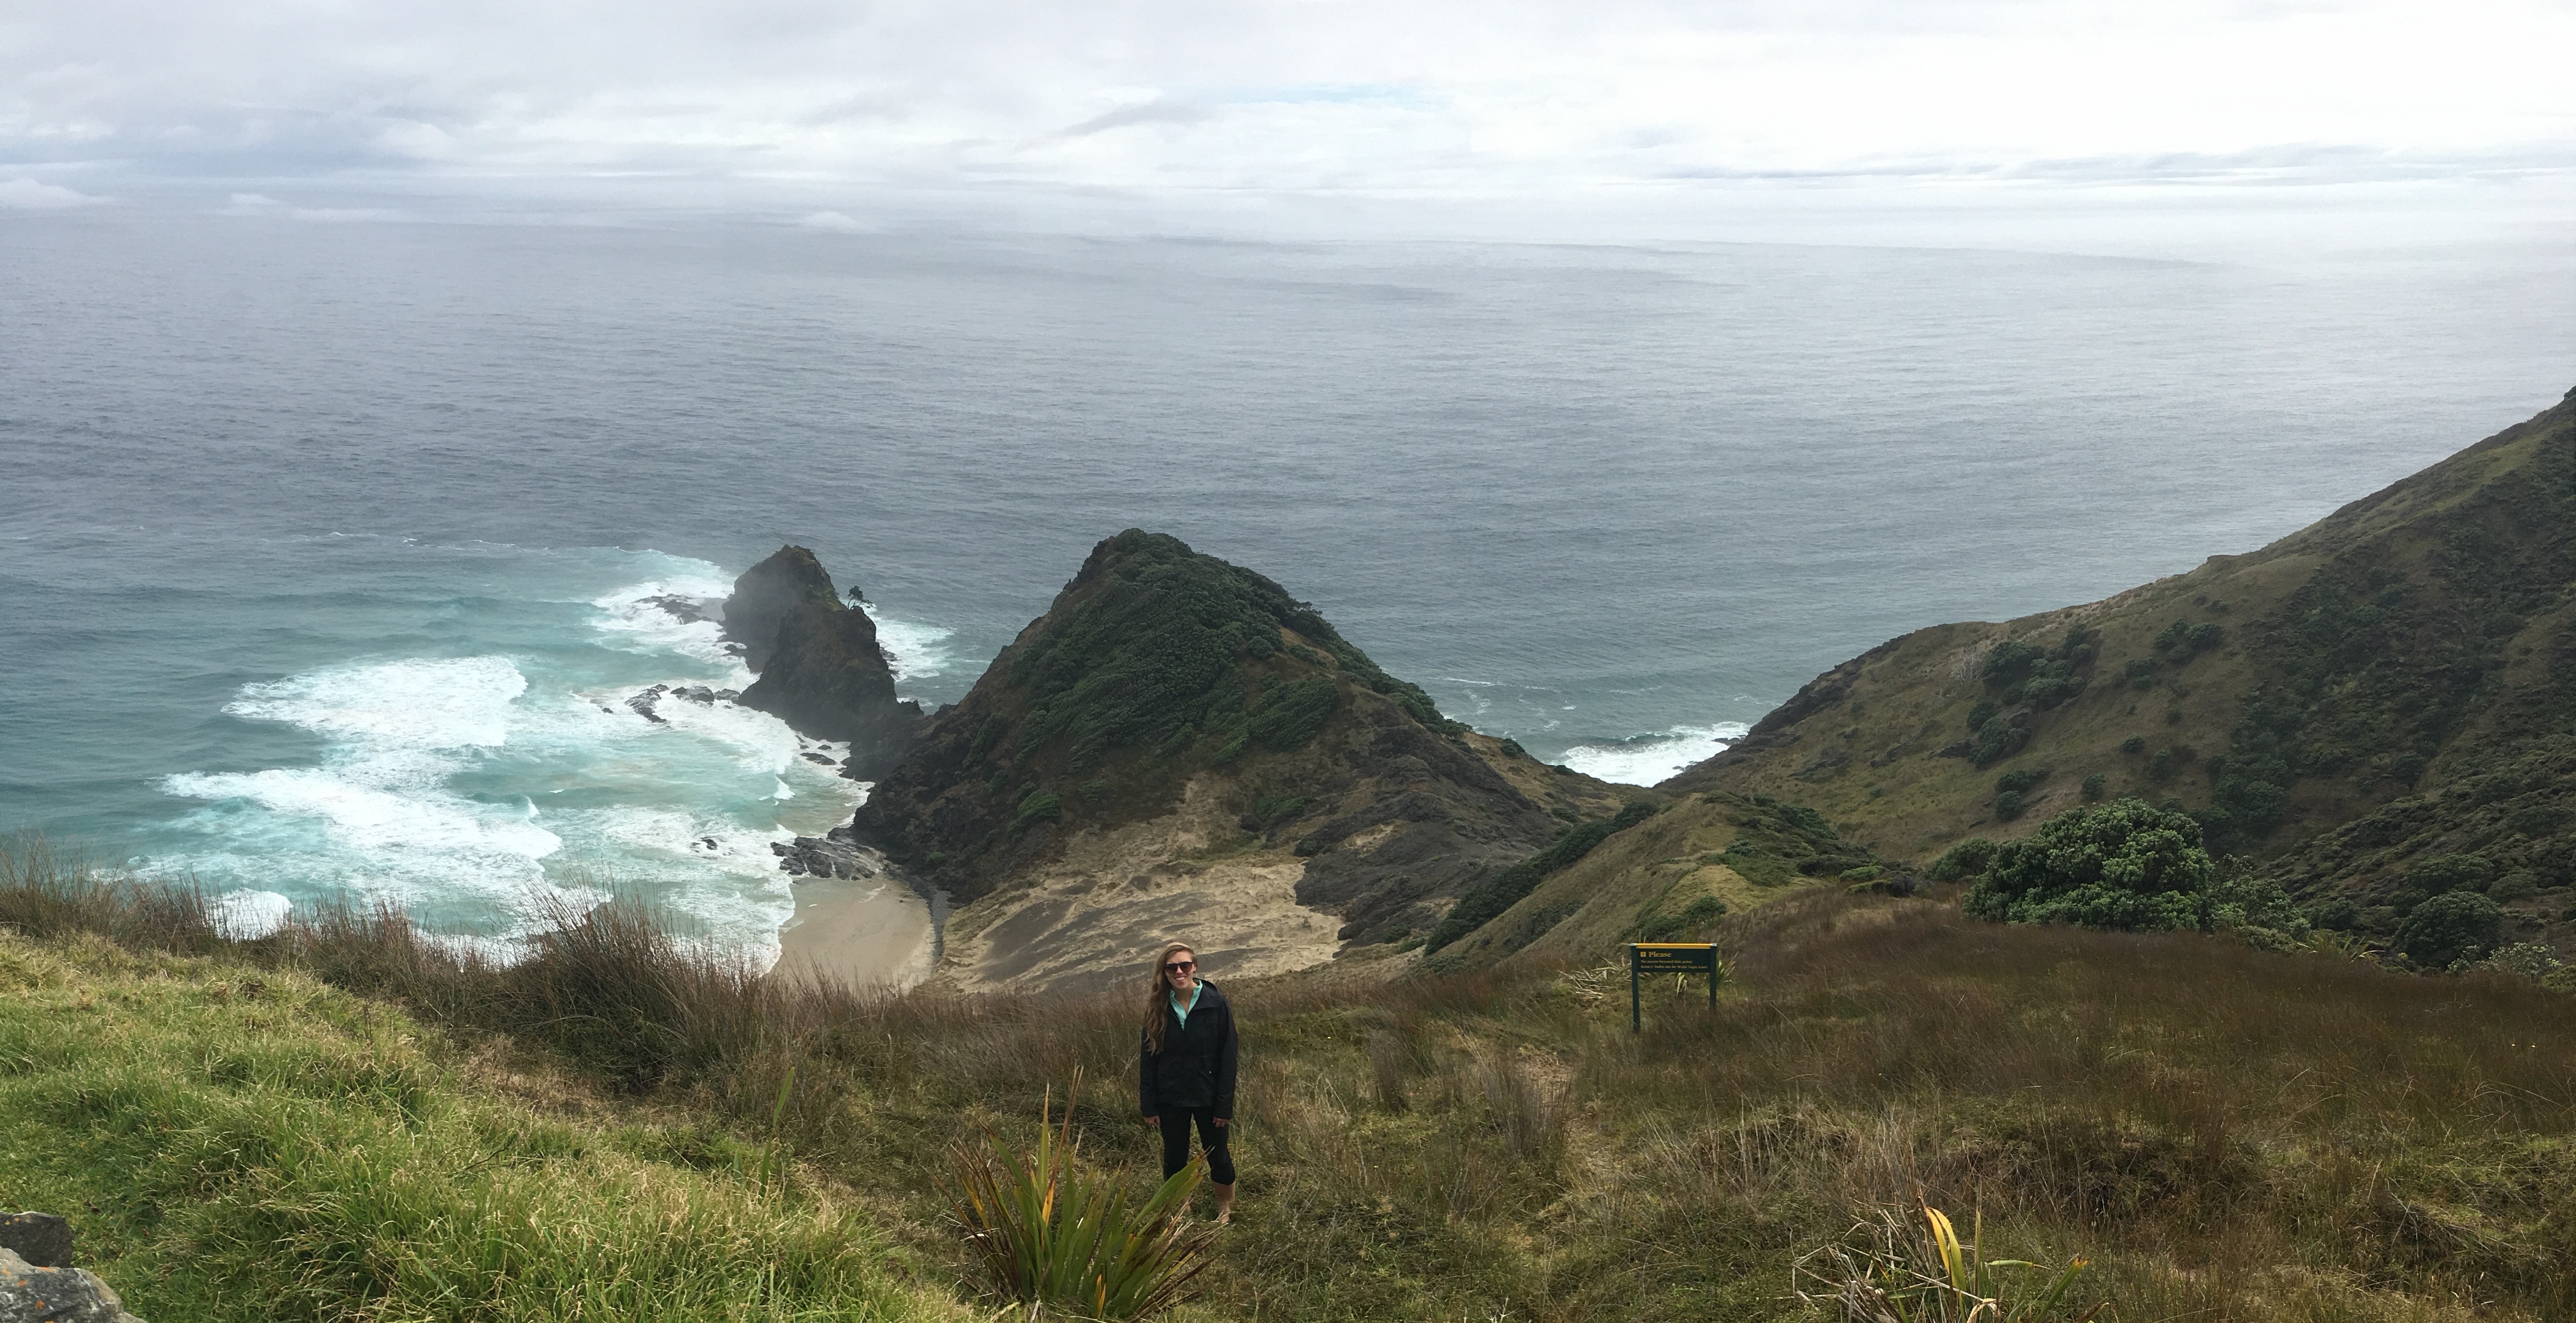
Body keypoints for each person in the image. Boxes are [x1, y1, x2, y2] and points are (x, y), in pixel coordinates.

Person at [1138, 940, 1238, 1223]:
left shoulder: (1215, 1002)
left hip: (1209, 1096)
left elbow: (1228, 1056)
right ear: (1165, 971)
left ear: (1195, 967)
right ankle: (1182, 1209)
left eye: (1185, 965)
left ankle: (1225, 1210)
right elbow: (1148, 1059)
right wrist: (1149, 1105)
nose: (1179, 971)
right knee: (1174, 1157)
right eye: (1172, 967)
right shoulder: (1157, 1007)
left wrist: (1224, 1106)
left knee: (1218, 1154)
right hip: (1171, 1096)